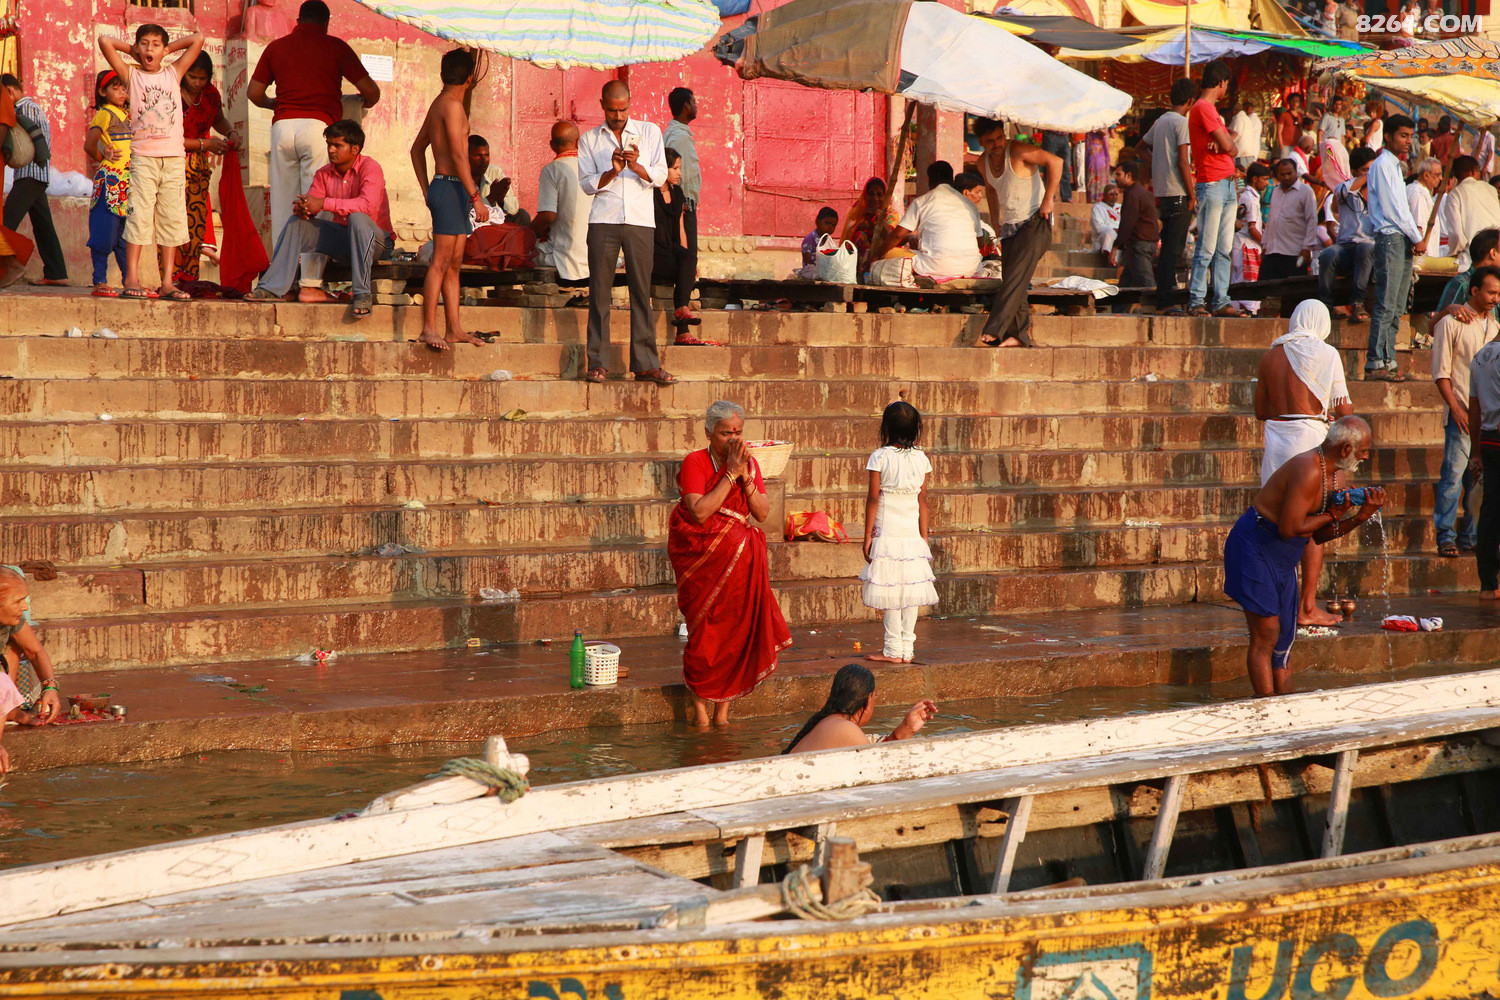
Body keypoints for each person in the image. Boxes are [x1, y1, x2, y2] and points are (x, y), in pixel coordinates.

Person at [1224, 416, 1384, 695]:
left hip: (1284, 557)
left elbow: (1318, 535)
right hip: (1255, 547)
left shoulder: (1334, 474)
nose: (1366, 457)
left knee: (1285, 640)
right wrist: (1333, 514)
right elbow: (1289, 528)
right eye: (1364, 451)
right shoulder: (1307, 470)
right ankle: (1265, 706)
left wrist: (1359, 517)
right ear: (1346, 449)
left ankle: (1286, 707)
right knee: (1266, 635)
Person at [669, 401, 791, 727]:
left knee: (735, 635)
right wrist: (730, 474)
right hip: (702, 562)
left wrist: (745, 476)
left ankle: (722, 714)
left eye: (738, 432)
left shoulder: (750, 464)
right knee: (705, 636)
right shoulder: (695, 462)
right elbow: (699, 512)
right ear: (709, 433)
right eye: (725, 433)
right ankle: (700, 713)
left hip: (740, 566)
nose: (734, 439)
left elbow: (761, 513)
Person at [1254, 300, 1355, 628]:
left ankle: (1273, 604)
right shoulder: (1328, 354)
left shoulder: (1270, 356)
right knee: (1311, 527)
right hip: (1311, 443)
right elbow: (1345, 412)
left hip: (1277, 445)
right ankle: (1306, 607)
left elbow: (1260, 411)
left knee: (1275, 521)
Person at [249, 0, 380, 245]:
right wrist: (360, 103)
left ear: (298, 21)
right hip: (319, 128)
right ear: (326, 23)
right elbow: (372, 92)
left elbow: (254, 94)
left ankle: (284, 267)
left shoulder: (276, 47)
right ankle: (311, 268)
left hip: (282, 128)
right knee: (316, 203)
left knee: (283, 204)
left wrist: (276, 104)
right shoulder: (336, 47)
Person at [97, 24, 205, 301]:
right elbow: (105, 40)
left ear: (164, 50)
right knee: (138, 217)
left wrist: (167, 50)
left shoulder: (174, 72)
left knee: (171, 219)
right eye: (144, 43)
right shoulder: (131, 75)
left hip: (173, 159)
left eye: (156, 45)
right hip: (144, 159)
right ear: (137, 47)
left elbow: (198, 38)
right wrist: (133, 50)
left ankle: (167, 282)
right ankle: (131, 278)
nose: (149, 49)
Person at [578, 81, 674, 386]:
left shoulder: (649, 131)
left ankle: (646, 364)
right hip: (603, 220)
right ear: (602, 105)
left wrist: (637, 166)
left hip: (641, 222)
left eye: (623, 109)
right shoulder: (590, 139)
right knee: (599, 294)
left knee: (641, 293)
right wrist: (613, 171)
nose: (618, 116)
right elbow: (586, 183)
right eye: (611, 110)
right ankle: (597, 363)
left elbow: (661, 175)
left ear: (630, 103)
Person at [246, 119, 392, 314]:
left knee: (357, 218)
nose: (331, 150)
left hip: (377, 243)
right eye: (329, 144)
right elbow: (313, 201)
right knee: (297, 223)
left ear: (355, 149)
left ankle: (362, 295)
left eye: (337, 145)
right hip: (345, 241)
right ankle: (271, 288)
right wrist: (304, 208)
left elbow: (367, 206)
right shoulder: (324, 173)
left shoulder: (371, 168)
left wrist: (323, 203)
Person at [410, 48, 488, 351]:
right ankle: (429, 328)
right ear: (469, 78)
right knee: (441, 261)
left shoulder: (442, 103)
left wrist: (427, 189)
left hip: (450, 188)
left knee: (454, 263)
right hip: (450, 186)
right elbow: (457, 155)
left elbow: (417, 149)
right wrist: (476, 198)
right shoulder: (451, 106)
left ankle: (454, 329)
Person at [859, 401, 938, 665]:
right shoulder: (921, 459)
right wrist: (923, 538)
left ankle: (893, 649)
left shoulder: (880, 457)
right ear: (916, 429)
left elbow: (873, 499)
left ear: (887, 428)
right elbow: (922, 501)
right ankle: (907, 648)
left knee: (890, 588)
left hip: (888, 529)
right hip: (911, 531)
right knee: (910, 588)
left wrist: (867, 536)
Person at [1431, 266, 1500, 557]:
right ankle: (1446, 536)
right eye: (1491, 293)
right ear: (1474, 291)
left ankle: (1471, 536)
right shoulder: (1451, 322)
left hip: (1487, 418)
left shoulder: (1494, 326)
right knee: (1453, 476)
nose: (1496, 298)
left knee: (1479, 478)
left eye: (1499, 294)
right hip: (1460, 411)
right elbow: (1440, 372)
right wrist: (1456, 408)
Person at [975, 118, 1062, 346]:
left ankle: (993, 330)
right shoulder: (982, 162)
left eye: (999, 138)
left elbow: (1056, 162)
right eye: (990, 141)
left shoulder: (1018, 150)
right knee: (1014, 280)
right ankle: (1019, 335)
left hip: (1036, 221)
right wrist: (995, 222)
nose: (996, 144)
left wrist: (1048, 200)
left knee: (1014, 280)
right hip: (1010, 227)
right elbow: (991, 190)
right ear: (981, 142)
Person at [1366, 114, 1428, 381]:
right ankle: (1375, 363)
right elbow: (1393, 210)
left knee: (1398, 305)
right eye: (1403, 135)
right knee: (1386, 303)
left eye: (1410, 136)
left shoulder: (1396, 166)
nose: (1407, 141)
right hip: (1390, 237)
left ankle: (1389, 361)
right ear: (1388, 136)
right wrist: (1416, 236)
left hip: (1401, 238)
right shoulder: (1382, 165)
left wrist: (1414, 237)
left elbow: (1403, 208)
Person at [1187, 62, 1244, 318]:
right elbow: (1231, 146)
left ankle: (1221, 300)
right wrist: (1226, 145)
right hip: (1212, 182)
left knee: (1223, 248)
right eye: (1226, 85)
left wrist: (1226, 145)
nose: (1226, 90)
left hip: (1226, 182)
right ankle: (1196, 301)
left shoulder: (1209, 110)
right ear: (1221, 83)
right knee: (1207, 247)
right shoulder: (1203, 108)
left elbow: (1233, 147)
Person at [175, 53, 237, 284]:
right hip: (173, 164)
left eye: (202, 79)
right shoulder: (171, 93)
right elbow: (167, 138)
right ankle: (171, 277)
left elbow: (218, 120)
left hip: (198, 167)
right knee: (175, 220)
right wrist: (206, 144)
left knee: (196, 221)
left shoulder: (210, 94)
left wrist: (231, 132)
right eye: (192, 77)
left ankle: (189, 278)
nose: (197, 83)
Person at [0, 74, 66, 286]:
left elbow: (25, 143)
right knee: (43, 226)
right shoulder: (32, 108)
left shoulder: (24, 109)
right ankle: (56, 273)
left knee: (6, 221)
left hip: (30, 174)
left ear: (9, 92)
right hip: (36, 175)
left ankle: (11, 266)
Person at [783, 664, 937, 754]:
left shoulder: (829, 722)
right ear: (868, 699)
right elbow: (880, 768)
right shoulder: (844, 728)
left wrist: (907, 728)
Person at [1139, 78, 1197, 315]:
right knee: (1172, 250)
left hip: (1163, 193)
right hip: (1177, 193)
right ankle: (1165, 301)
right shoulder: (1181, 123)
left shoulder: (1161, 121)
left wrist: (1158, 164)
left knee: (1169, 248)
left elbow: (1140, 148)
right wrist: (1192, 194)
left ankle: (1166, 296)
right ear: (1190, 101)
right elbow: (1183, 161)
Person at [874, 160, 985, 281]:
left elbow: (898, 235)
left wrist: (876, 256)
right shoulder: (970, 205)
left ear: (930, 181)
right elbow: (980, 242)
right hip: (971, 268)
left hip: (936, 267)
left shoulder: (921, 202)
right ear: (952, 181)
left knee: (888, 253)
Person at [84, 70, 131, 296]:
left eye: (123, 87)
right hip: (110, 183)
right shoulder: (104, 114)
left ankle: (129, 281)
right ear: (102, 92)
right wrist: (104, 157)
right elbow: (89, 145)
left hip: (127, 183)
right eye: (115, 87)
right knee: (104, 232)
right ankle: (100, 281)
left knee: (125, 237)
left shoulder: (128, 115)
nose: (121, 92)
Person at [1318, 146, 1377, 321]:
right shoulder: (1345, 188)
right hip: (1345, 246)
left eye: (1373, 169)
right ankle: (1325, 306)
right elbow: (1343, 191)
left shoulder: (1380, 192)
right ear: (1354, 171)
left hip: (1369, 248)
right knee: (1327, 254)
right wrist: (1369, 176)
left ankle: (1358, 304)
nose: (1370, 174)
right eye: (1365, 170)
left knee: (1365, 249)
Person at [653, 149, 705, 344]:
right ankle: (682, 332)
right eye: (674, 168)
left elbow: (681, 228)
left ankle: (682, 312)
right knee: (685, 269)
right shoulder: (648, 192)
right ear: (661, 168)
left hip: (672, 249)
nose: (679, 173)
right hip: (653, 250)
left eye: (679, 168)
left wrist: (688, 262)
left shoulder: (677, 192)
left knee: (689, 258)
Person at [533, 121, 592, 287]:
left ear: (552, 145)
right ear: (578, 142)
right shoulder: (593, 168)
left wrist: (526, 232)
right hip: (595, 257)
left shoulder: (552, 169)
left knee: (528, 253)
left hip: (566, 258)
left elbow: (548, 216)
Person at [663, 87, 701, 329]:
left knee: (687, 259)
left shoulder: (678, 133)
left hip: (684, 204)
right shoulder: (678, 136)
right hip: (684, 206)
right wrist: (682, 204)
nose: (696, 105)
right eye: (694, 101)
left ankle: (682, 323)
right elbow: (677, 173)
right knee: (688, 257)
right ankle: (682, 314)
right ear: (686, 105)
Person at [1469, 333, 1500, 599]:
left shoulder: (1480, 357)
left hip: (1488, 440)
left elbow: (1474, 407)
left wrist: (1476, 452)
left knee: (1490, 510)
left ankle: (1488, 585)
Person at [1439, 155, 1500, 271]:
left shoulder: (1455, 194)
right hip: (1496, 251)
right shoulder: (1491, 189)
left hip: (1473, 257)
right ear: (1472, 171)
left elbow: (1456, 234)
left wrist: (1453, 253)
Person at [1261, 158, 1319, 280]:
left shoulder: (1305, 191)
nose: (1286, 177)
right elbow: (1272, 219)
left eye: (1289, 173)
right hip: (1272, 252)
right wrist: (1265, 244)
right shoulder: (1276, 191)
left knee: (1292, 290)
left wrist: (1307, 247)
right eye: (1282, 174)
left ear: (1296, 172)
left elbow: (1312, 220)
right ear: (1277, 175)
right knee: (1266, 289)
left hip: (1294, 253)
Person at [1434, 228, 1500, 324]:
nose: (1496, 299)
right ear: (1493, 253)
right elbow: (1435, 326)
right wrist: (1449, 310)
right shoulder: (1462, 284)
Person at [1110, 160, 1158, 291]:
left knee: (1147, 285)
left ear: (1128, 175)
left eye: (1118, 174)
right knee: (1126, 284)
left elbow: (1127, 223)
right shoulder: (1142, 192)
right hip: (1142, 244)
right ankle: (1118, 305)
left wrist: (1116, 246)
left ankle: (1158, 304)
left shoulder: (1133, 194)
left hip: (1140, 245)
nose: (1116, 178)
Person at [1232, 162, 1270, 315]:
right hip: (1246, 244)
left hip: (1243, 243)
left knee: (1242, 279)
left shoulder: (1248, 196)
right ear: (1255, 179)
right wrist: (1265, 244)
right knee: (1246, 280)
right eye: (1264, 179)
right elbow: (1252, 228)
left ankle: (1244, 310)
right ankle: (1245, 312)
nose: (1267, 183)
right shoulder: (1250, 198)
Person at [841, 177, 898, 278]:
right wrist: (860, 226)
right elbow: (848, 235)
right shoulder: (858, 211)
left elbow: (891, 236)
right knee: (859, 235)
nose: (875, 198)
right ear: (865, 195)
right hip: (861, 259)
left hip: (882, 256)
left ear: (885, 196)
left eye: (879, 194)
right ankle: (861, 273)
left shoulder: (891, 214)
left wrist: (879, 217)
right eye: (871, 194)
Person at [466, 135, 520, 224]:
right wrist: (491, 198)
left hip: (494, 222)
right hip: (473, 224)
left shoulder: (495, 172)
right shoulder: (457, 178)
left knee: (522, 215)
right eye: (478, 155)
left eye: (486, 155)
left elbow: (514, 209)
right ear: (466, 157)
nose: (484, 160)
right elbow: (467, 216)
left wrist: (501, 200)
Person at [1407, 156, 1447, 260]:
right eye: (1438, 175)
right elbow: (1418, 223)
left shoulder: (1419, 191)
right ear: (1426, 175)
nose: (1440, 178)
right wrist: (1420, 245)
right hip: (1422, 254)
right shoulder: (1418, 192)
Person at [797, 206, 839, 278]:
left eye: (833, 225)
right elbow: (808, 263)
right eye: (827, 223)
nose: (830, 227)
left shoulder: (829, 240)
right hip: (811, 274)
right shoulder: (809, 240)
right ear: (817, 222)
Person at [1230, 98, 1262, 169]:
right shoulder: (1247, 118)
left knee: (1240, 172)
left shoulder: (1239, 119)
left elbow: (1236, 135)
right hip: (1248, 152)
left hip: (1241, 153)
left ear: (1234, 111)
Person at [1090, 184, 1120, 254]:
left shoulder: (1121, 207)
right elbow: (1098, 227)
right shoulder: (1097, 207)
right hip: (1102, 239)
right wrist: (1114, 230)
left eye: (1116, 195)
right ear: (1104, 195)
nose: (1114, 197)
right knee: (1109, 233)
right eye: (1111, 195)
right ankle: (1107, 256)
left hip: (1120, 235)